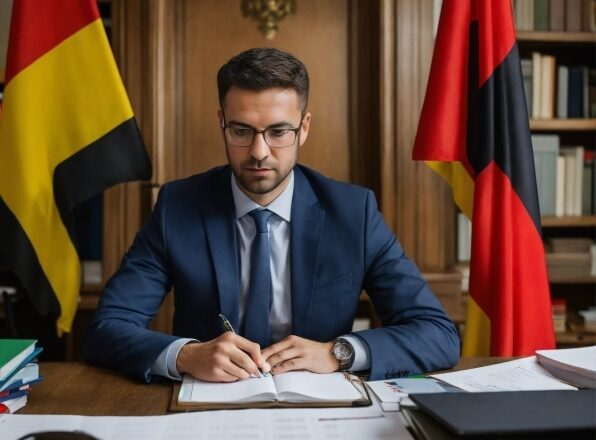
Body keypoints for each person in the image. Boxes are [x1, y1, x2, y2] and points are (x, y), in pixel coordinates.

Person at [83, 48, 460, 383]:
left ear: (304, 128)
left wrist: (338, 352)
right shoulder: (178, 206)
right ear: (222, 124)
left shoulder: (353, 213)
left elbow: (437, 333)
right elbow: (107, 328)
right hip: (207, 410)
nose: (259, 151)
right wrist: (185, 355)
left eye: (279, 131)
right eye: (242, 130)